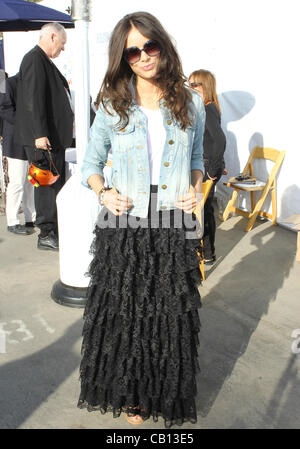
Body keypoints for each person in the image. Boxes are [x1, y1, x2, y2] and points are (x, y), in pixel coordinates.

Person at [78, 12, 205, 428]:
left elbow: (199, 158)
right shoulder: (113, 103)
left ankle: (160, 392)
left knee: (168, 314)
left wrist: (196, 187)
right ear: (123, 58)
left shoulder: (192, 101)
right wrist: (103, 191)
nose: (143, 56)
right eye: (133, 51)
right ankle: (131, 394)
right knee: (125, 312)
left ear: (162, 45)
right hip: (125, 220)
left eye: (149, 46)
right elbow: (91, 164)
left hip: (173, 217)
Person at [14, 22, 74, 250]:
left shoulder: (42, 60)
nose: (63, 49)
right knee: (45, 185)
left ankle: (53, 230)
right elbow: (33, 99)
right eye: (62, 43)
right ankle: (46, 233)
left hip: (51, 138)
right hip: (42, 139)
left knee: (52, 184)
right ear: (51, 36)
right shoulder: (34, 60)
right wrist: (39, 134)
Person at [189, 69, 226, 264]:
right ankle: (208, 252)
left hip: (204, 168)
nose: (191, 88)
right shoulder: (205, 107)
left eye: (196, 84)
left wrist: (212, 169)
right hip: (204, 165)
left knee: (201, 210)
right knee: (205, 209)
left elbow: (219, 140)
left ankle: (206, 251)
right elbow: (211, 141)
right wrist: (219, 164)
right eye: (190, 84)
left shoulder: (208, 108)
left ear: (207, 86)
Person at [0, 73, 36, 235]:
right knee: (17, 182)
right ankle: (12, 221)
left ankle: (31, 218)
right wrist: (27, 125)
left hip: (29, 141)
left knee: (30, 183)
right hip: (15, 142)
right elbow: (4, 109)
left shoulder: (31, 84)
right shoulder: (8, 83)